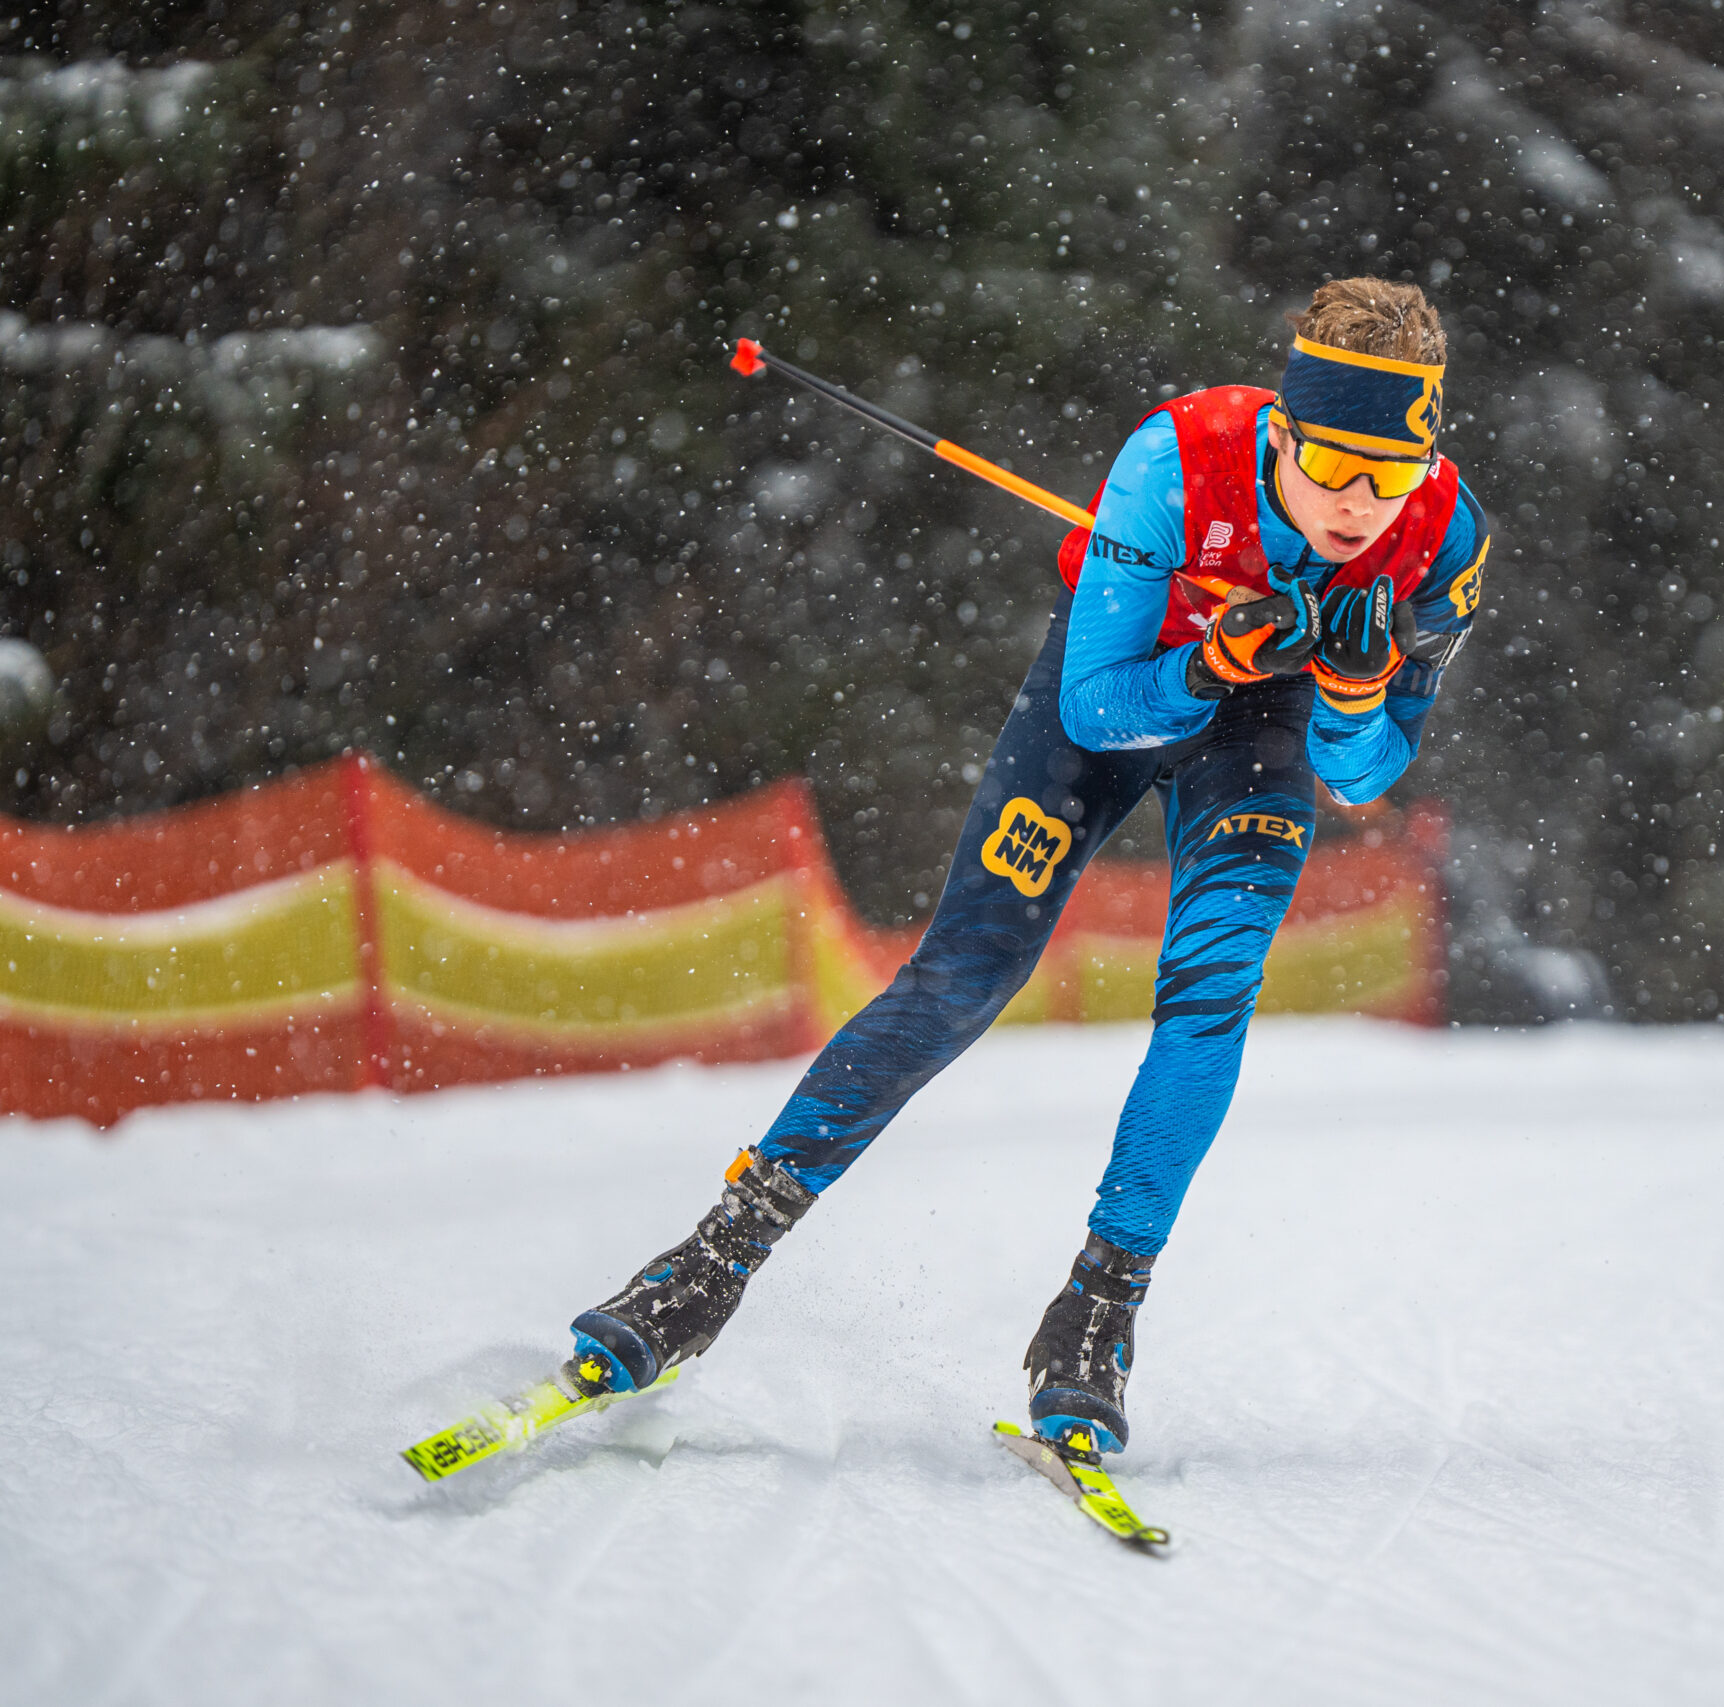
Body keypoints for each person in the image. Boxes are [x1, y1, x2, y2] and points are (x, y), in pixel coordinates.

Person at [563, 278, 1491, 1457]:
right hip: (1126, 684)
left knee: (1211, 998)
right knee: (967, 972)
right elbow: (1098, 708)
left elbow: (1362, 776)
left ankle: (1097, 1314)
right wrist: (1209, 665)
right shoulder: (1176, 461)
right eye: (1336, 466)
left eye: (1391, 474)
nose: (1360, 504)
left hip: (1264, 731)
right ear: (1282, 433)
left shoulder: (1442, 539)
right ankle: (709, 1262)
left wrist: (1353, 694)